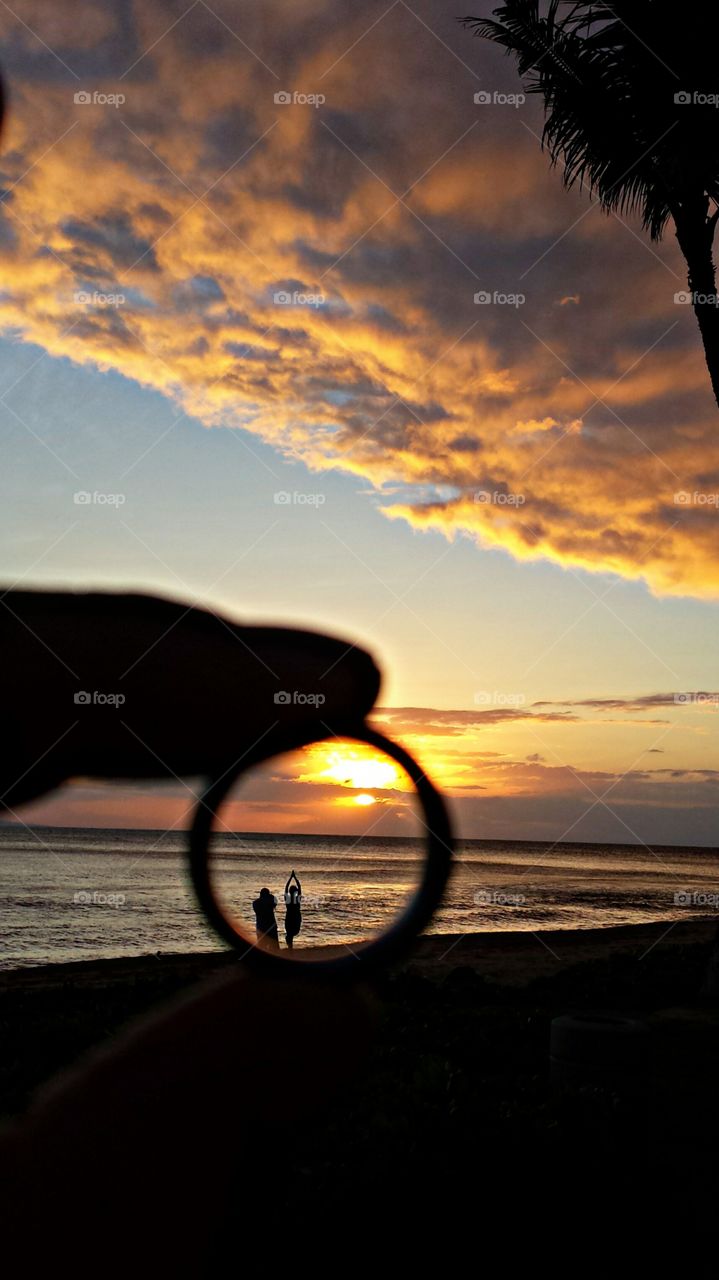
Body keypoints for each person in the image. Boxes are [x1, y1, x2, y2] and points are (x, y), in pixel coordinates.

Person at [284, 870, 302, 948]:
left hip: (290, 916)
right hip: (296, 916)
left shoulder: (288, 899)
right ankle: (290, 946)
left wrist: (291, 878)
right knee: (292, 932)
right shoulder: (297, 899)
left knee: (290, 933)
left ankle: (289, 946)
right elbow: (299, 887)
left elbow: (286, 888)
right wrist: (294, 877)